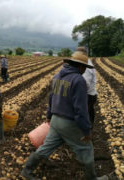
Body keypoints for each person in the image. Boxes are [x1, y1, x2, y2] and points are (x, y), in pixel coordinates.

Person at [21, 50, 108, 180]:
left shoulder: (57, 77)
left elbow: (51, 99)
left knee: (46, 148)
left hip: (56, 121)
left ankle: (27, 171)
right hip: (69, 123)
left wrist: (49, 116)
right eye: (84, 67)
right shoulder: (78, 80)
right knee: (86, 149)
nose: (84, 70)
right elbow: (81, 110)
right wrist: (86, 130)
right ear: (80, 66)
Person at [78, 47, 98, 128]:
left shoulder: (86, 66)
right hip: (88, 94)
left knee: (86, 116)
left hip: (88, 95)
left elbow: (85, 83)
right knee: (88, 114)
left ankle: (87, 134)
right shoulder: (85, 63)